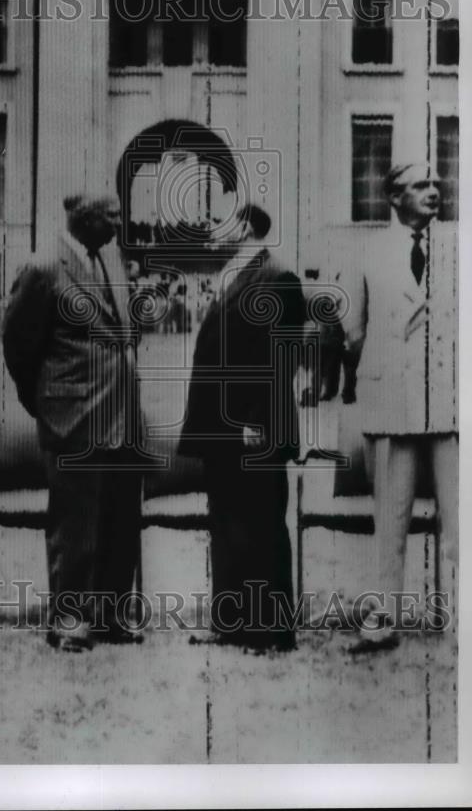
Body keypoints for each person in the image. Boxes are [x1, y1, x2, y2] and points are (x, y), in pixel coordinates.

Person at [2, 193, 144, 652]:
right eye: (112, 216)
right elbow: (18, 347)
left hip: (120, 418)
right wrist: (48, 405)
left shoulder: (111, 261)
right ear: (83, 218)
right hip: (73, 421)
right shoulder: (43, 268)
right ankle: (69, 619)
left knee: (120, 523)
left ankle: (110, 616)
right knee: (75, 526)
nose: (119, 224)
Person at [179, 203, 306, 653]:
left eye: (220, 220)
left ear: (248, 226)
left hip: (254, 426)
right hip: (220, 427)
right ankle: (230, 624)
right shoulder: (231, 273)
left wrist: (255, 418)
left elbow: (282, 357)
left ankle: (269, 631)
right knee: (226, 522)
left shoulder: (278, 277)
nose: (209, 227)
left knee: (260, 523)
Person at [342, 164, 458, 654]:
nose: (433, 192)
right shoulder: (365, 250)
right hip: (391, 401)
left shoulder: (457, 249)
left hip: (448, 407)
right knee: (390, 519)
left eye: (435, 184)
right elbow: (352, 330)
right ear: (393, 197)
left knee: (461, 517)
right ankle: (381, 618)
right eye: (419, 185)